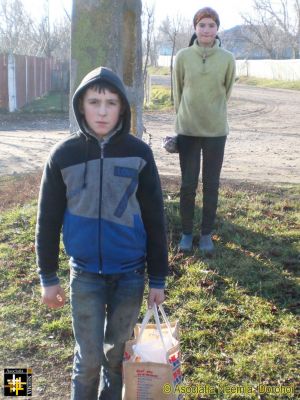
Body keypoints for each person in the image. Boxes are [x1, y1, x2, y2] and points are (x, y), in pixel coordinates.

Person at [35, 66, 168, 400]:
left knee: (116, 356)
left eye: (111, 102)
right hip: (85, 277)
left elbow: (155, 219)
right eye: (95, 101)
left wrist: (158, 279)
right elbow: (47, 221)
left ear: (123, 107)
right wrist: (48, 278)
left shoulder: (140, 154)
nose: (103, 110)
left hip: (130, 275)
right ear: (81, 106)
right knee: (89, 358)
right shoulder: (62, 156)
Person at [173, 7, 236, 253]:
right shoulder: (183, 56)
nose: (206, 30)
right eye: (202, 25)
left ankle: (206, 233)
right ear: (195, 28)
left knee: (211, 184)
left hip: (216, 132)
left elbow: (227, 91)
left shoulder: (227, 58)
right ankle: (187, 233)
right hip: (188, 130)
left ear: (217, 28)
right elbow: (177, 91)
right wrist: (180, 123)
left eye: (211, 25)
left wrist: (214, 112)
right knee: (188, 185)